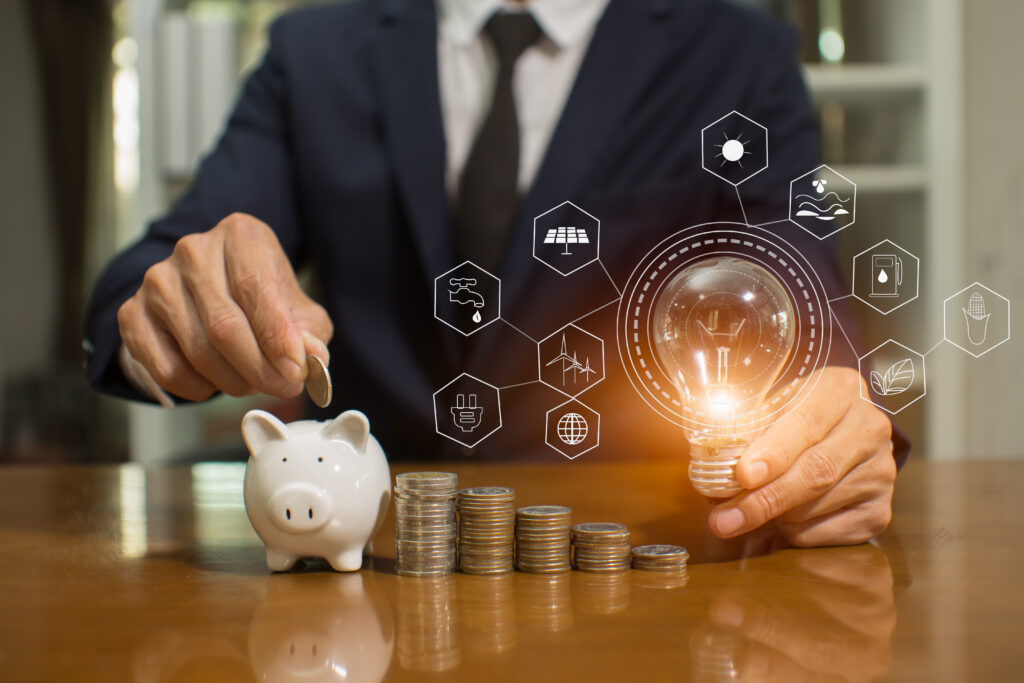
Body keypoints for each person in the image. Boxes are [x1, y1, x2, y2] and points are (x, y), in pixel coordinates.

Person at [85, 0, 901, 547]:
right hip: (377, 553)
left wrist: (838, 435)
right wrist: (172, 310)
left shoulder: (736, 52)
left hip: (643, 567)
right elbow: (151, 271)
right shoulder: (316, 49)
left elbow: (808, 306)